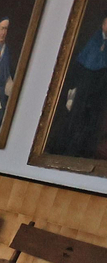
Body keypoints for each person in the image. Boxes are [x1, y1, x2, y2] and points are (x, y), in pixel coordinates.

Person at [47, 14, 107, 159]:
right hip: (84, 90)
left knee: (90, 125)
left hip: (97, 94)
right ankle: (67, 150)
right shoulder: (94, 41)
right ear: (103, 24)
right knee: (76, 122)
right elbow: (87, 63)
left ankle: (81, 152)